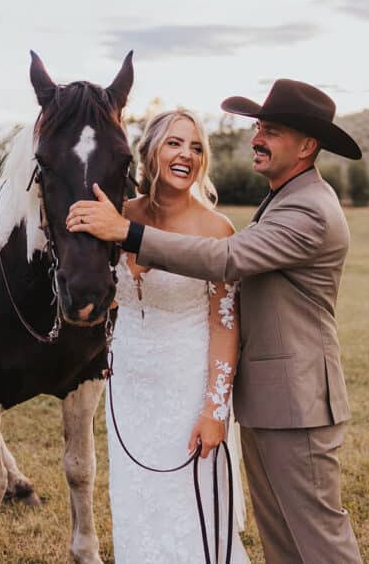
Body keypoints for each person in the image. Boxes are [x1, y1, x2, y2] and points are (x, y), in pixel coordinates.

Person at [69, 79, 364, 564]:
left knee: (320, 542)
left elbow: (227, 259)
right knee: (283, 543)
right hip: (266, 400)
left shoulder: (311, 210)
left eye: (271, 130)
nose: (257, 138)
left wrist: (128, 233)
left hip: (298, 402)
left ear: (307, 146)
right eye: (259, 127)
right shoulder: (282, 198)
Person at [102, 109, 251, 563]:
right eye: (174, 143)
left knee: (191, 509)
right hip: (127, 386)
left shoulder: (216, 230)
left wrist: (214, 408)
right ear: (150, 151)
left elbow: (225, 325)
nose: (186, 154)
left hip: (186, 388)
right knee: (134, 502)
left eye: (196, 146)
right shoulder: (119, 218)